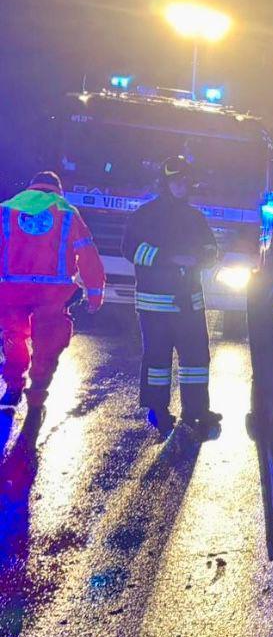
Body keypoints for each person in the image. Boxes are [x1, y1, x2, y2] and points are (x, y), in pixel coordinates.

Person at [121, 156, 221, 434]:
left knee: (197, 359)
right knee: (157, 360)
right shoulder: (145, 215)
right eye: (176, 181)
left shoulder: (195, 216)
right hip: (155, 305)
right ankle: (158, 409)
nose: (181, 186)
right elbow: (130, 250)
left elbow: (211, 250)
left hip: (189, 302)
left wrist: (201, 257)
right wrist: (170, 259)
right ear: (165, 183)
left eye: (185, 182)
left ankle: (197, 410)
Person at [0, 171, 105, 411]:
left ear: (31, 187)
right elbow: (87, 254)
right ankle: (37, 392)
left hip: (13, 291)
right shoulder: (67, 211)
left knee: (14, 336)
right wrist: (95, 293)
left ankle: (13, 386)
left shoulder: (6, 209)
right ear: (58, 189)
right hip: (53, 293)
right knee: (47, 342)